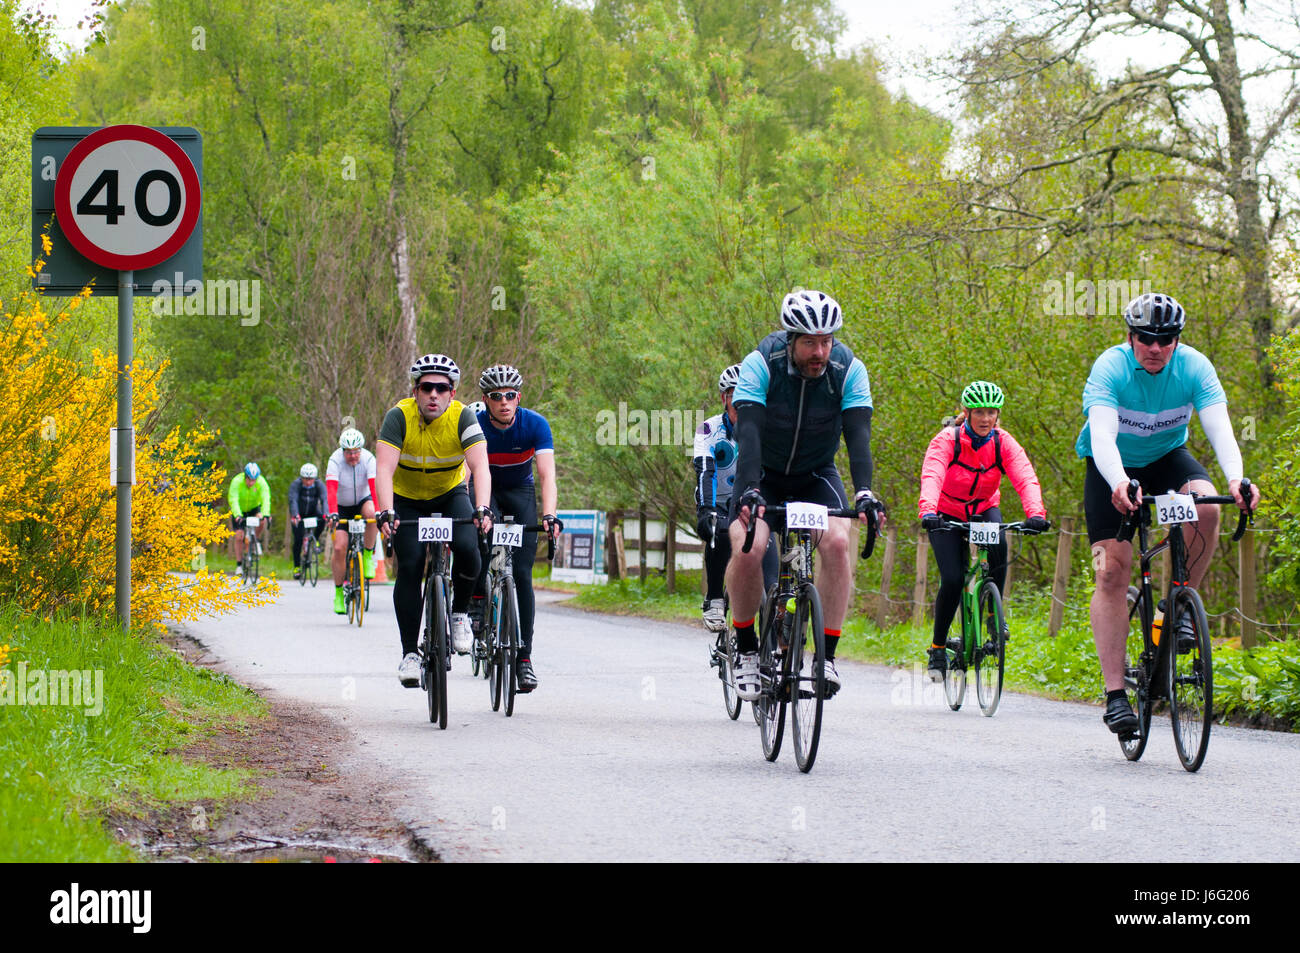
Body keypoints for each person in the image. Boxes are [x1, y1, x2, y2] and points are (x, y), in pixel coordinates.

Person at [1077, 292, 1260, 735]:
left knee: (1207, 503)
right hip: (1111, 468)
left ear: (1177, 340)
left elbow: (1219, 427)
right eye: (1145, 338)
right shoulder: (1111, 367)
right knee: (1111, 573)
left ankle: (1177, 605)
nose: (1155, 348)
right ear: (1130, 337)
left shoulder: (1196, 367)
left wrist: (1237, 479)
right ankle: (1116, 694)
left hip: (1167, 458)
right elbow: (1102, 435)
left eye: (1166, 339)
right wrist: (1120, 481)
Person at [725, 290, 886, 701]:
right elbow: (749, 435)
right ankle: (744, 649)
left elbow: (858, 437)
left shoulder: (848, 370)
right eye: (810, 343)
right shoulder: (761, 364)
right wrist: (749, 491)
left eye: (827, 341)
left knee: (835, 541)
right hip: (763, 473)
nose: (820, 352)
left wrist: (865, 492)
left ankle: (825, 658)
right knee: (749, 545)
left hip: (816, 473)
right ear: (790, 338)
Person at [375, 354, 493, 688]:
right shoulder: (398, 417)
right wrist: (386, 510)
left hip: (448, 493)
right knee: (411, 564)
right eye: (426, 387)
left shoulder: (463, 417)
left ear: (452, 393)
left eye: (442, 388)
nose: (434, 395)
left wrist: (481, 508)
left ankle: (458, 614)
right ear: (415, 390)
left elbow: (481, 468)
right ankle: (410, 652)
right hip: (407, 499)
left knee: (471, 549)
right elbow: (383, 469)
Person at [918, 381, 1050, 680]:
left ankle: (993, 615)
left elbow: (1025, 476)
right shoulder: (946, 440)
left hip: (983, 508)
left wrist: (1036, 514)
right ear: (967, 412)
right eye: (979, 412)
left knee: (999, 544)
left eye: (991, 412)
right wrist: (927, 510)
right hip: (945, 513)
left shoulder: (1003, 442)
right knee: (953, 579)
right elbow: (933, 474)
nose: (986, 418)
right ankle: (938, 648)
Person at [470, 364, 562, 693]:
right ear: (486, 400)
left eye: (510, 396)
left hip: (520, 490)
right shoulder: (475, 425)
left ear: (518, 397)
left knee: (523, 575)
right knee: (480, 540)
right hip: (487, 489)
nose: (504, 402)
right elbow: (467, 474)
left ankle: (524, 659)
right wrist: (478, 512)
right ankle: (478, 598)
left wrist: (549, 515)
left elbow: (547, 475)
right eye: (496, 397)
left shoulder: (535, 424)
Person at [694, 364, 742, 631]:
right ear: (724, 398)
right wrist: (707, 509)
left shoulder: (765, 427)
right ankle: (714, 598)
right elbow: (705, 471)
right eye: (735, 394)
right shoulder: (708, 429)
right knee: (719, 530)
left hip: (751, 502)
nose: (741, 400)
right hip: (719, 502)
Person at [325, 428, 379, 614]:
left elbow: (374, 487)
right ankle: (339, 593)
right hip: (341, 506)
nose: (353, 456)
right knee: (340, 547)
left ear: (361, 450)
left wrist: (380, 511)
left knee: (372, 514)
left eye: (356, 451)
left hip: (363, 501)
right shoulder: (334, 461)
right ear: (342, 451)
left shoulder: (369, 459)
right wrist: (332, 513)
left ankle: (367, 555)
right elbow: (331, 490)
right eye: (349, 452)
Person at [228, 462, 271, 574]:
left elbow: (266, 498)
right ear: (245, 477)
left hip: (253, 508)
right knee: (239, 536)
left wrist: (266, 514)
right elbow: (233, 499)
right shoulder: (237, 481)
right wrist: (237, 515)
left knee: (262, 520)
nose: (251, 482)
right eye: (249, 480)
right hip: (240, 510)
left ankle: (254, 539)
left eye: (254, 480)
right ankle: (239, 565)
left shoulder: (261, 482)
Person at [288, 463, 327, 580]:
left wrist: (327, 514)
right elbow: (293, 500)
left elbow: (324, 499)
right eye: (306, 479)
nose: (308, 482)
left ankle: (316, 539)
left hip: (313, 511)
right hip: (299, 513)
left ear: (315, 478)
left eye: (311, 479)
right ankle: (297, 567)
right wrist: (295, 515)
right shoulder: (296, 485)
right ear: (301, 477)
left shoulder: (319, 485)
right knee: (298, 541)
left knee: (323, 519)